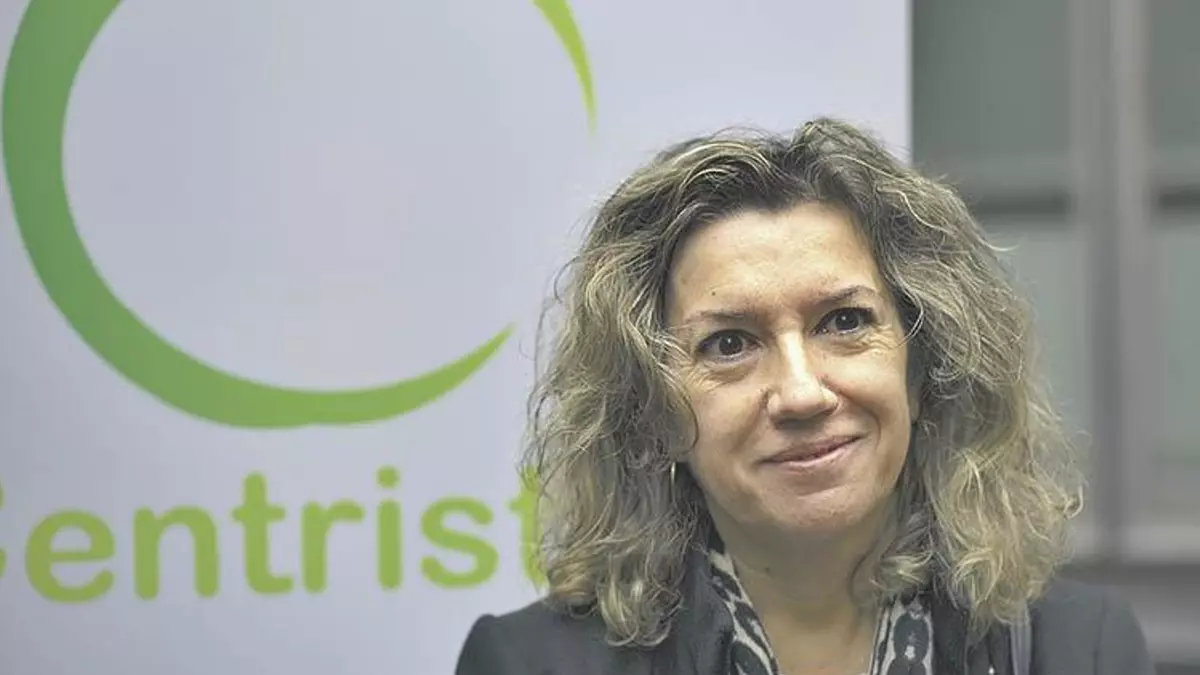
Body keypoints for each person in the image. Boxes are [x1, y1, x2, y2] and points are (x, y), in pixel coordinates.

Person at [455, 118, 1154, 675]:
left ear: (922, 373)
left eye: (844, 322)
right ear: (657, 412)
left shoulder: (1078, 650)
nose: (800, 392)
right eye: (729, 343)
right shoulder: (527, 664)